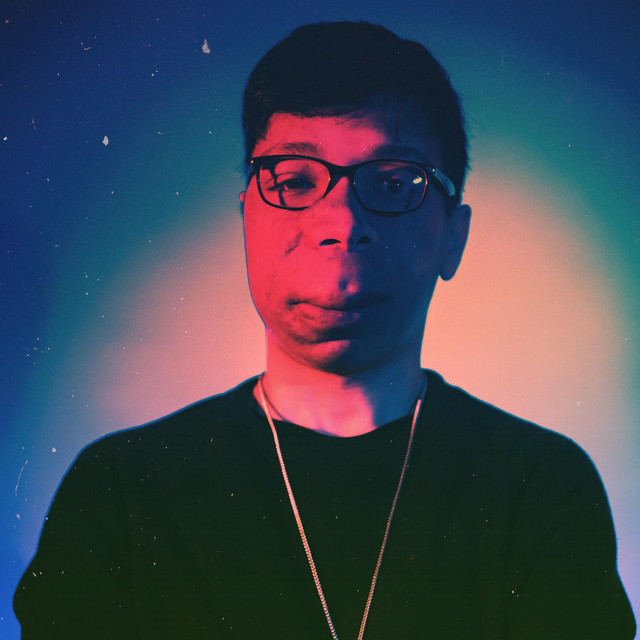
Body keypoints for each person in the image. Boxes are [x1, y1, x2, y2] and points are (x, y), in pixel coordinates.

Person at [14, 21, 635, 640]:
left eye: (393, 183)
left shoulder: (539, 488)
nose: (341, 222)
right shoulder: (120, 493)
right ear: (247, 220)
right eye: (293, 181)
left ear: (454, 236)